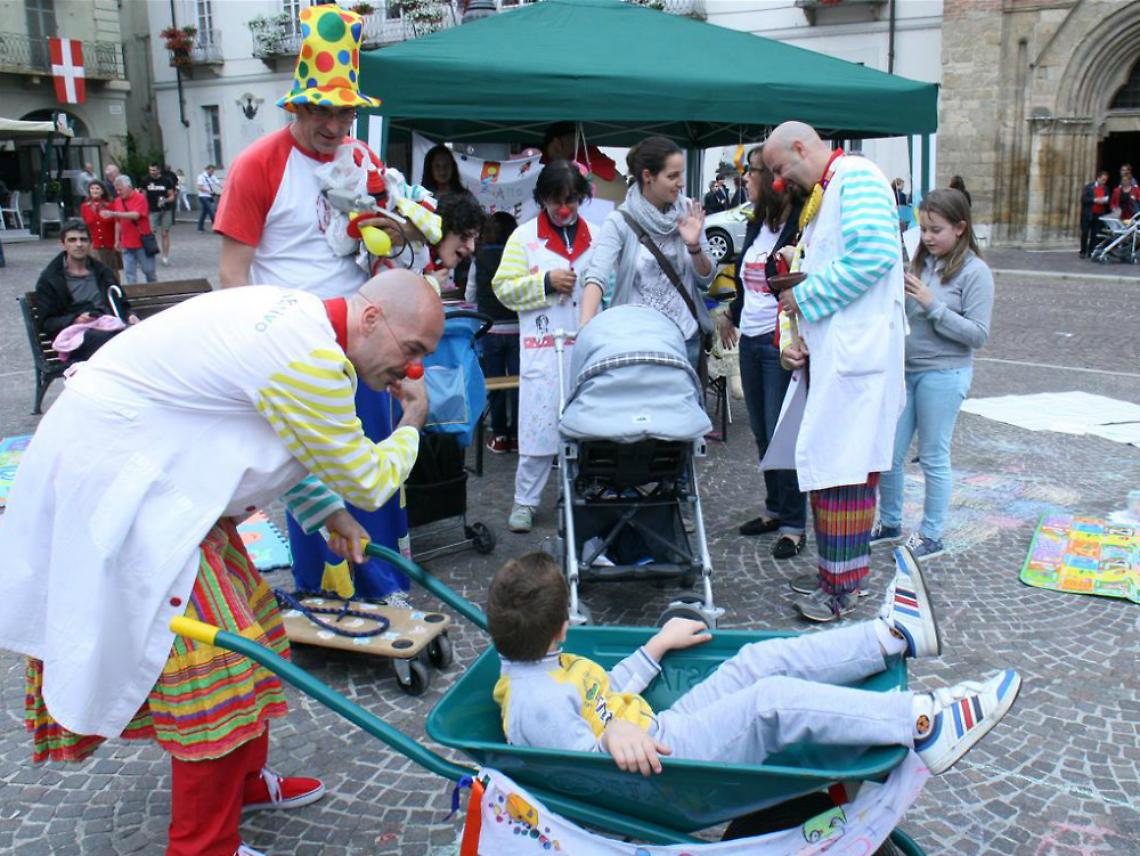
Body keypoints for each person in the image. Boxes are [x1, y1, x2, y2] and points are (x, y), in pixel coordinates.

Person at [0, 270, 443, 856]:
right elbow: (368, 479)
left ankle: (243, 785)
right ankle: (202, 846)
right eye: (411, 350)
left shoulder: (305, 326)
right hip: (130, 490)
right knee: (218, 673)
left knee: (254, 632)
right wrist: (414, 418)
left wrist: (327, 513)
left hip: (168, 481)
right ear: (370, 319)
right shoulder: (309, 355)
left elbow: (279, 430)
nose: (410, 369)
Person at [215, 3, 442, 609]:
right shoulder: (257, 165)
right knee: (308, 475)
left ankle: (385, 587)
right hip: (290, 351)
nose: (334, 124)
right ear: (297, 104)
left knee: (368, 474)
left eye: (344, 110)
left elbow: (389, 246)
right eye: (321, 109)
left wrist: (393, 235)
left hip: (362, 339)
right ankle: (322, 595)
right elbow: (231, 276)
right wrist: (252, 365)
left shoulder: (362, 160)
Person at [487, 550, 1022, 778]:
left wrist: (656, 646)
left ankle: (890, 635)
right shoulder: (535, 704)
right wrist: (609, 741)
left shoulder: (550, 662)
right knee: (770, 703)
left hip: (658, 727)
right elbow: (576, 767)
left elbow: (603, 691)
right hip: (663, 763)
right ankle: (923, 724)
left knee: (756, 660)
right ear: (562, 628)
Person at [761, 121, 906, 623]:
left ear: (801, 147)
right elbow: (844, 259)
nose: (782, 182)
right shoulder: (832, 188)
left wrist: (804, 294)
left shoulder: (859, 178)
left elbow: (874, 255)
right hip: (839, 361)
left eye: (781, 169)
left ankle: (843, 590)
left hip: (857, 364)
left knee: (843, 477)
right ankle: (835, 577)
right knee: (830, 473)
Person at [875, 189, 993, 561]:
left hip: (944, 373)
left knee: (932, 456)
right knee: (889, 455)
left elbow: (977, 334)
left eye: (935, 230)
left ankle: (932, 534)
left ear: (960, 228)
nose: (926, 237)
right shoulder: (920, 263)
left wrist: (932, 304)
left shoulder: (976, 272)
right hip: (906, 371)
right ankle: (890, 522)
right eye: (922, 228)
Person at [493, 161, 594, 533]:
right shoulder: (523, 238)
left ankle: (577, 495)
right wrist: (546, 283)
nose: (564, 209)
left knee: (587, 427)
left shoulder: (598, 236)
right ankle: (525, 501)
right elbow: (502, 289)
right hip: (542, 344)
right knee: (538, 427)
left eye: (571, 200)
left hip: (585, 346)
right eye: (555, 201)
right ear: (542, 200)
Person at [721, 146, 807, 559]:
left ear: (775, 180)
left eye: (751, 172)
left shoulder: (799, 229)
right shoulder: (757, 225)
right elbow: (746, 283)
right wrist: (731, 314)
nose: (746, 180)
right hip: (751, 340)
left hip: (779, 344)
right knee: (760, 431)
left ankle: (794, 523)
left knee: (780, 433)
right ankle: (774, 509)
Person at [580, 136, 715, 373]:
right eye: (672, 176)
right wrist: (585, 326)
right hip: (637, 339)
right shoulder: (620, 220)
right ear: (647, 176)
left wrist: (694, 246)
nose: (681, 183)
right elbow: (596, 275)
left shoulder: (688, 211)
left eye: (681, 174)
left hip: (685, 337)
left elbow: (706, 277)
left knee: (683, 408)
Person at [34, 218, 139, 361]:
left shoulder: (102, 272)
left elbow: (123, 305)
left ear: (90, 244)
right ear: (63, 244)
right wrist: (75, 319)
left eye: (83, 240)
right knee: (110, 340)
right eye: (72, 240)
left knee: (144, 336)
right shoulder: (50, 279)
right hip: (77, 339)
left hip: (109, 328)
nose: (78, 244)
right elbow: (46, 323)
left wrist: (129, 315)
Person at [467, 210, 520, 454]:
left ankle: (499, 435)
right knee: (520, 384)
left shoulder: (479, 259)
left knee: (495, 383)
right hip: (518, 328)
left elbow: (470, 293)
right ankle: (519, 434)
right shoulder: (518, 255)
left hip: (490, 327)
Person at [106, 174, 156, 284]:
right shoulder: (118, 201)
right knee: (129, 273)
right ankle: (133, 297)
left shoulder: (140, 198)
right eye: (116, 190)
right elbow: (117, 222)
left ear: (129, 187)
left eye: (120, 190)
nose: (118, 192)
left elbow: (136, 215)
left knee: (149, 271)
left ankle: (155, 293)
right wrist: (117, 240)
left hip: (142, 242)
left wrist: (114, 213)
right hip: (126, 243)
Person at [79, 179, 120, 277]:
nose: (94, 190)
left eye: (97, 188)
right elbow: (85, 225)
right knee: (96, 271)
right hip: (94, 245)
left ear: (102, 191)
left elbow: (117, 223)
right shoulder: (85, 207)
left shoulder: (111, 205)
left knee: (112, 271)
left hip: (109, 244)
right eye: (92, 188)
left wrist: (117, 241)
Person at [144, 162, 176, 265]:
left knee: (165, 234)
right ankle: (150, 253)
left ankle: (165, 256)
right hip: (152, 210)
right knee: (150, 233)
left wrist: (165, 201)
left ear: (158, 170)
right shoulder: (146, 180)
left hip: (166, 210)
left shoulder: (166, 181)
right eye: (150, 170)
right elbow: (143, 197)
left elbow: (172, 196)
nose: (151, 172)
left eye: (153, 170)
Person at [1079, 170, 1110, 259]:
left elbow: (1108, 199)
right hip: (1088, 214)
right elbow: (1084, 199)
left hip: (1099, 214)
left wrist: (1105, 200)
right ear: (1098, 178)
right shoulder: (1089, 187)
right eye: (1103, 180)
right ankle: (1083, 251)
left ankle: (1091, 251)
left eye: (1106, 180)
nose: (1104, 182)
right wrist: (1094, 200)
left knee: (1095, 234)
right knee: (1085, 233)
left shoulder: (1106, 188)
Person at [197, 164, 222, 232]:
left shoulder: (212, 176)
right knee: (212, 211)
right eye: (211, 171)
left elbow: (218, 183)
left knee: (204, 212)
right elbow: (199, 188)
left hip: (209, 196)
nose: (212, 172)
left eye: (213, 171)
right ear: (207, 170)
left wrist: (225, 188)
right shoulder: (201, 177)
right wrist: (209, 191)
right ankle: (215, 228)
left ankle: (200, 227)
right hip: (203, 196)